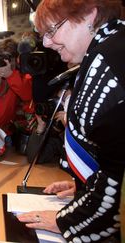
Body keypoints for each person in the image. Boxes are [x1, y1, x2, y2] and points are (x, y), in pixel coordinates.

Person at [17, 0, 125, 241]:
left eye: (52, 30)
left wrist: (64, 219)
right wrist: (85, 186)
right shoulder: (111, 48)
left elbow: (116, 188)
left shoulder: (106, 62)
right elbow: (117, 156)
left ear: (90, 14)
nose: (46, 42)